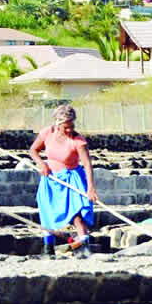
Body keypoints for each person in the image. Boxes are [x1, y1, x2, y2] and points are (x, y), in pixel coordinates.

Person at [29, 104, 99, 256]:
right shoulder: (47, 133)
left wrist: (91, 188)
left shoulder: (78, 141)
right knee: (47, 214)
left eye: (72, 126)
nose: (69, 130)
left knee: (77, 214)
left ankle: (84, 249)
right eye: (66, 127)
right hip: (50, 179)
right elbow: (33, 150)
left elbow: (87, 164)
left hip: (71, 179)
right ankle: (49, 250)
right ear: (58, 124)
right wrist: (41, 164)